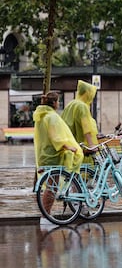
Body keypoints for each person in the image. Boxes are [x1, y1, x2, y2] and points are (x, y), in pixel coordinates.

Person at [33, 92, 84, 225]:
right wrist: (68, 146)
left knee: (50, 187)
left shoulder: (42, 116)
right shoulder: (51, 117)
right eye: (58, 101)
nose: (59, 104)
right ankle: (45, 217)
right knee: (51, 187)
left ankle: (45, 216)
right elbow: (56, 137)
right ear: (55, 103)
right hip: (53, 156)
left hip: (45, 154)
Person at [61, 80, 99, 164]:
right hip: (82, 147)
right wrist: (91, 145)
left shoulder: (70, 104)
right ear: (87, 93)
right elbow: (86, 127)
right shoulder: (82, 107)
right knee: (85, 172)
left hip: (70, 144)